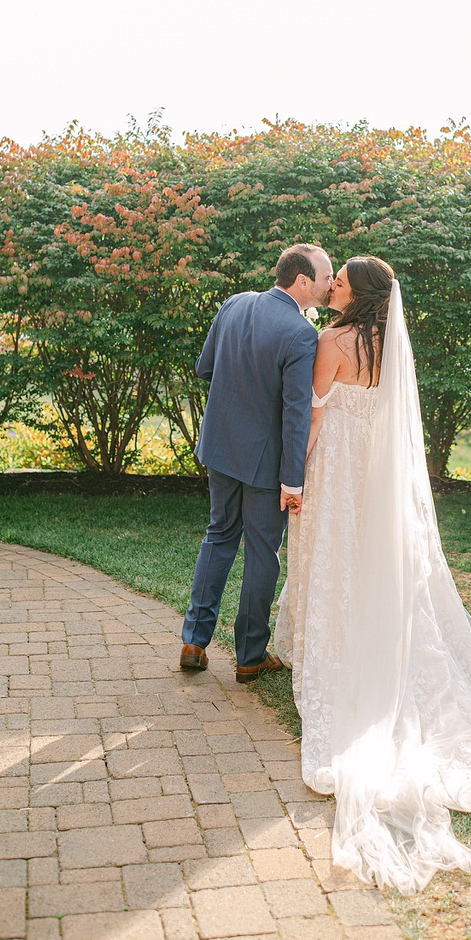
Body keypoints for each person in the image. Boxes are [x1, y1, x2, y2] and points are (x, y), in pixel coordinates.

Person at [274, 255, 471, 895]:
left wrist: (295, 478)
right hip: (379, 482)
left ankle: (328, 652)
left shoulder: (331, 342)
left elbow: (312, 414)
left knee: (329, 559)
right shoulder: (393, 348)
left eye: (338, 282)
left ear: (355, 293)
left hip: (337, 472)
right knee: (367, 564)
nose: (330, 287)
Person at [181, 243, 334, 683]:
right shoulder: (301, 333)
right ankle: (249, 656)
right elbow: (294, 413)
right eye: (325, 277)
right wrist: (293, 479)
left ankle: (194, 641)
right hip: (266, 464)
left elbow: (204, 368)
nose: (329, 284)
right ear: (302, 280)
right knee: (262, 554)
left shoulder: (233, 304)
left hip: (220, 448)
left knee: (218, 536)